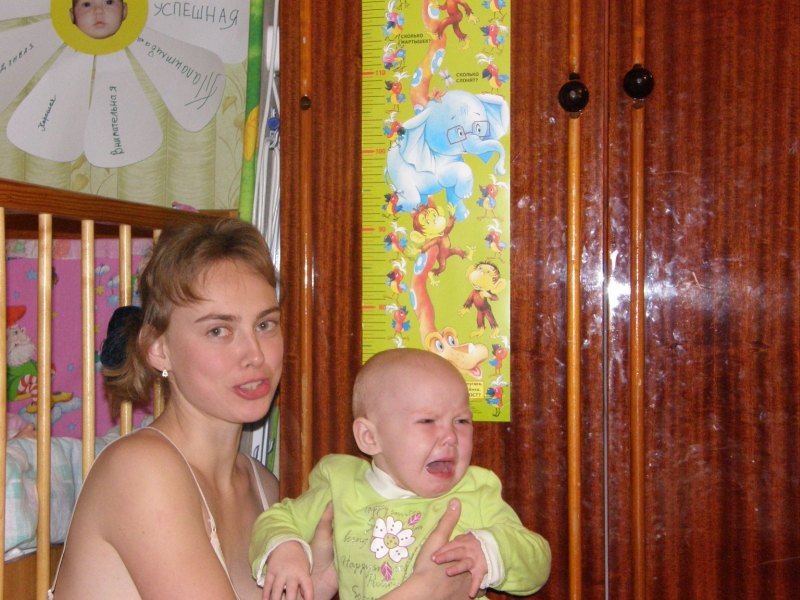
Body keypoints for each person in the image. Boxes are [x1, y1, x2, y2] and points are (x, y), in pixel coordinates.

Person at [49, 219, 474, 600]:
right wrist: (419, 592)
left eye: (265, 324)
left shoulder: (263, 488)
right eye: (219, 330)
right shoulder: (141, 472)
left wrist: (318, 589)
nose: (255, 354)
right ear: (159, 349)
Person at [251, 348, 551, 600]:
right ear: (369, 437)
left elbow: (537, 560)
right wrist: (285, 547)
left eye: (461, 421)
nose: (451, 437)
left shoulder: (477, 491)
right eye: (428, 421)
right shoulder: (340, 484)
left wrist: (489, 549)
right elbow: (276, 519)